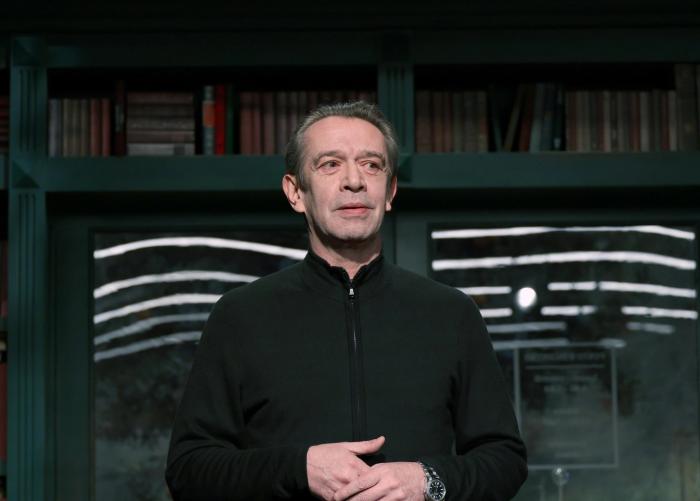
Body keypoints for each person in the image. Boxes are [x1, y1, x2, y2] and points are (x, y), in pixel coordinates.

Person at [165, 101, 527, 500]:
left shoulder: (452, 313)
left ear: (390, 191)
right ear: (296, 192)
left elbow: (505, 460)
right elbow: (188, 470)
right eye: (330, 164)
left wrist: (425, 480)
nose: (354, 181)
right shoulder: (240, 315)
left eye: (371, 165)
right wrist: (298, 468)